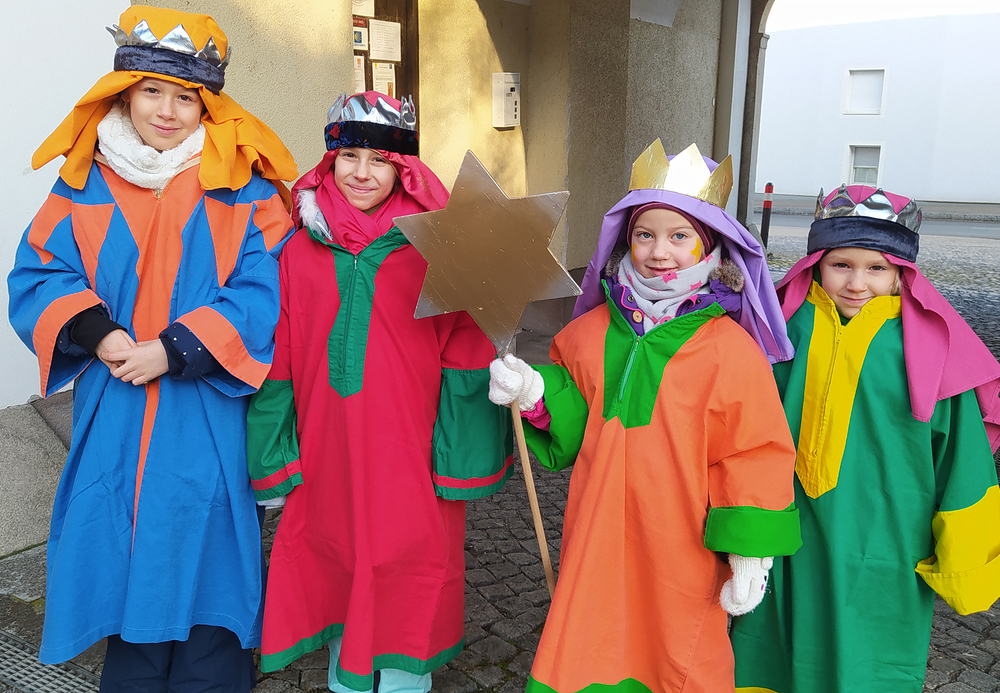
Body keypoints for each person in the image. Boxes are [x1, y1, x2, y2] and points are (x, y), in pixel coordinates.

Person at [7, 6, 297, 690]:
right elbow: (39, 272)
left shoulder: (245, 188)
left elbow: (266, 290)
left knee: (210, 568)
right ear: (125, 93)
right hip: (116, 409)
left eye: (186, 97)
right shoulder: (83, 181)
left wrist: (174, 349)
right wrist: (99, 332)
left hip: (207, 412)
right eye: (152, 91)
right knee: (123, 561)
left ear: (208, 105)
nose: (167, 111)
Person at [488, 141, 802, 693]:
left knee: (677, 655)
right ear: (625, 242)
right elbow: (575, 416)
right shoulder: (589, 333)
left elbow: (752, 450)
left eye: (680, 236)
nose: (660, 251)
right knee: (590, 644)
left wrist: (751, 550)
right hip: (597, 533)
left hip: (682, 544)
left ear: (709, 246)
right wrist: (536, 392)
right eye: (645, 235)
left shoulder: (730, 351)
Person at [247, 91, 513, 693]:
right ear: (330, 160)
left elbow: (465, 350)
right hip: (326, 452)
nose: (362, 173)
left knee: (407, 571)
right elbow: (279, 357)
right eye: (350, 156)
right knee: (335, 565)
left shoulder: (439, 253)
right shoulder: (296, 251)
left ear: (404, 169)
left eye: (381, 160)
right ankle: (346, 678)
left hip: (409, 454)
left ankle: (401, 683)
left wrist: (459, 458)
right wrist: (273, 454)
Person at [729, 184, 1000, 693]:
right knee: (768, 656)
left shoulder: (931, 349)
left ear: (902, 273)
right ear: (816, 264)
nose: (857, 283)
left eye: (876, 268)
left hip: (887, 544)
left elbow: (961, 459)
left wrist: (966, 561)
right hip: (783, 536)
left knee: (870, 664)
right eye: (841, 265)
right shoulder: (777, 332)